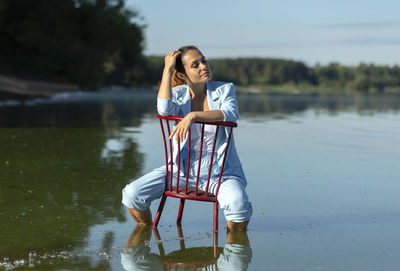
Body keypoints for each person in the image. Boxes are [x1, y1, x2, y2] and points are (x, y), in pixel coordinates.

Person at [122, 45, 252, 231]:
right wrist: (167, 70)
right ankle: (144, 235)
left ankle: (235, 246)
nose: (203, 67)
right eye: (195, 65)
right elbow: (164, 109)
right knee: (132, 194)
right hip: (179, 171)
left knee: (238, 205)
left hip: (220, 173)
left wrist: (193, 116)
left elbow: (230, 113)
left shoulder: (224, 89)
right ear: (182, 75)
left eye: (204, 61)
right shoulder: (178, 94)